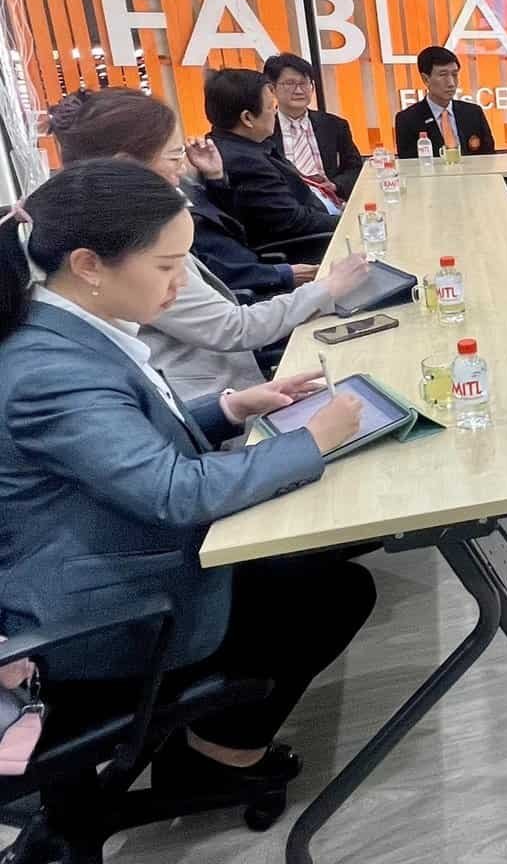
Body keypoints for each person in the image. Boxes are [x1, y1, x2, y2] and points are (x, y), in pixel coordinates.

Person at [0, 160, 372, 799]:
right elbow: (174, 493)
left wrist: (231, 407)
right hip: (92, 616)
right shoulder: (51, 371)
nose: (181, 283)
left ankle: (207, 740)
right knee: (331, 592)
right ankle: (214, 758)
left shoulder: (61, 327)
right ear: (89, 265)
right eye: (167, 266)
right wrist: (313, 439)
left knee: (309, 561)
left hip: (98, 550)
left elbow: (119, 447)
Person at [49, 88, 370, 399]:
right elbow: (230, 328)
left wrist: (214, 178)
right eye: (175, 156)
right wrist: (327, 287)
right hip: (214, 392)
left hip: (230, 386)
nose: (183, 167)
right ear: (126, 165)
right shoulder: (129, 241)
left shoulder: (123, 215)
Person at [206, 68, 340, 256]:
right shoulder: (245, 163)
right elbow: (295, 221)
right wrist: (350, 222)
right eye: (272, 107)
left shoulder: (243, 143)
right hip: (310, 246)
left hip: (321, 211)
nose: (276, 114)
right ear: (247, 118)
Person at [265, 53, 364, 200]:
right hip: (285, 202)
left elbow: (354, 167)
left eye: (304, 83)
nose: (299, 90)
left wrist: (335, 185)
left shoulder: (334, 124)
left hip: (331, 200)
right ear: (272, 88)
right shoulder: (263, 129)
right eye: (290, 83)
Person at [394, 45, 496, 159]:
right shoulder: (407, 120)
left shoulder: (474, 113)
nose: (451, 83)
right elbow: (409, 164)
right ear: (426, 79)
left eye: (454, 74)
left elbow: (489, 157)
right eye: (443, 75)